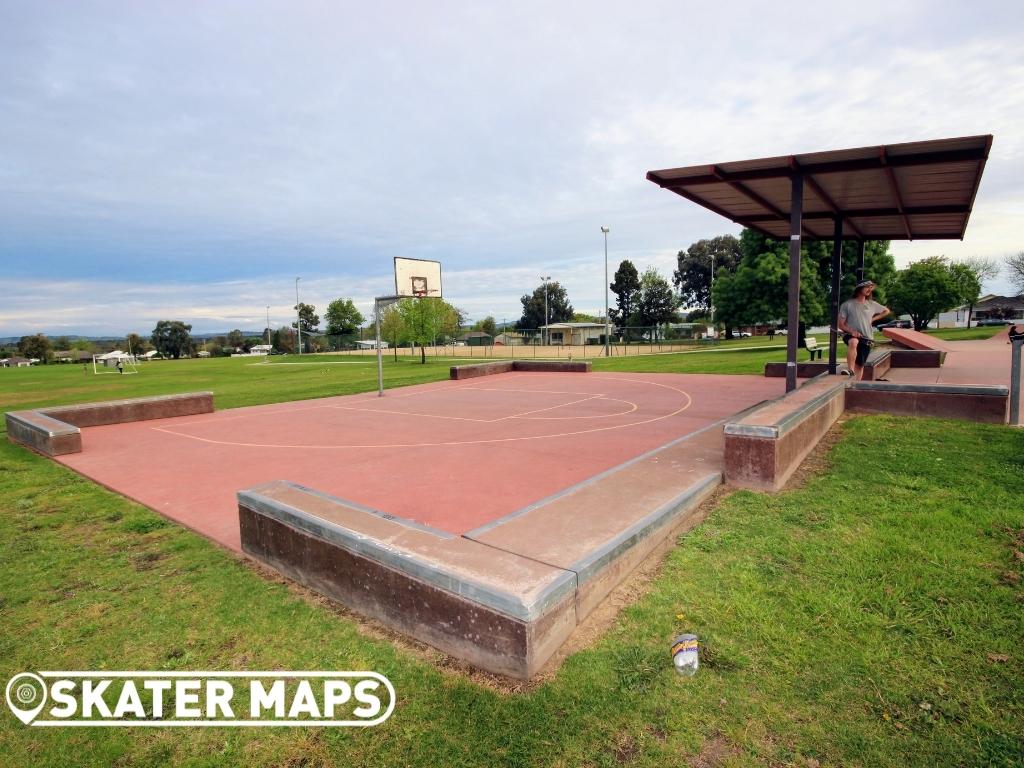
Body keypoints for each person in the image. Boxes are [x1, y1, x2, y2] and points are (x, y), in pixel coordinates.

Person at [837, 279, 891, 380]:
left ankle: (856, 384)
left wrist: (873, 318)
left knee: (860, 365)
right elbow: (841, 325)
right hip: (851, 334)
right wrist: (852, 331)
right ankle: (850, 370)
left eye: (871, 287)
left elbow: (886, 311)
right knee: (853, 342)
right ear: (859, 288)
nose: (869, 289)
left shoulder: (871, 304)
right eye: (867, 287)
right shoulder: (847, 305)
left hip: (867, 337)